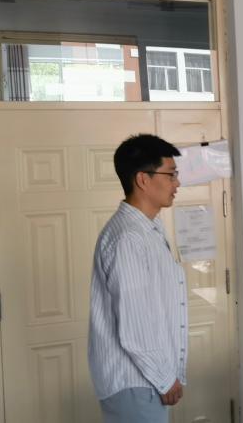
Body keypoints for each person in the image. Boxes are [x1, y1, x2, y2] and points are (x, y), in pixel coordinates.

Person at [89, 134, 187, 423]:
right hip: (136, 381)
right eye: (171, 174)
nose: (177, 183)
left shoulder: (147, 229)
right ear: (143, 179)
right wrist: (164, 377)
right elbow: (135, 323)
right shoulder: (129, 238)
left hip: (142, 381)